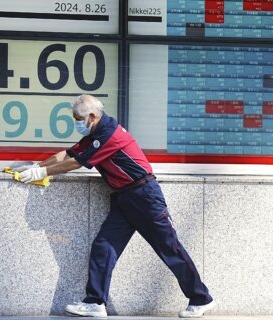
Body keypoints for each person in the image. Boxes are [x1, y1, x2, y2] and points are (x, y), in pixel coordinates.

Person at [16, 94, 215, 318]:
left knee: (169, 248)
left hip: (144, 197)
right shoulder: (96, 133)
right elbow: (67, 154)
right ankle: (95, 302)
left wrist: (41, 173)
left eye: (78, 119)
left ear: (91, 116)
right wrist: (36, 165)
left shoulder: (109, 135)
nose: (76, 123)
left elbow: (76, 163)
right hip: (124, 198)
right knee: (104, 246)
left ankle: (201, 298)